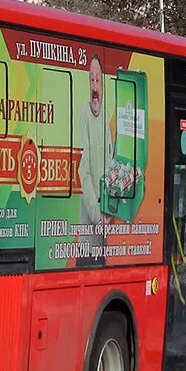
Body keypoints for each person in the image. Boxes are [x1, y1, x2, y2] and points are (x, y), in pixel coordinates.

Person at [74, 56, 114, 267]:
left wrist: (110, 209)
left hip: (104, 230)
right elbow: (84, 170)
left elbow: (110, 168)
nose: (95, 87)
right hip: (90, 232)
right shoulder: (84, 114)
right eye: (92, 80)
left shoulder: (106, 117)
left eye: (98, 80)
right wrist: (99, 217)